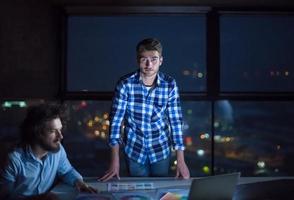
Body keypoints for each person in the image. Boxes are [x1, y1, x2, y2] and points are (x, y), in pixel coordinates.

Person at [100, 38, 190, 181]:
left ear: (161, 60)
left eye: (154, 59)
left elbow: (176, 122)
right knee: (139, 192)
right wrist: (114, 161)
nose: (149, 65)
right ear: (137, 60)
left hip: (160, 149)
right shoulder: (125, 84)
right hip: (134, 150)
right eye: (144, 60)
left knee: (160, 191)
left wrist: (181, 160)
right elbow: (116, 123)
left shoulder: (170, 85)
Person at [0, 103, 97, 200]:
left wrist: (78, 182)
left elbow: (67, 171)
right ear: (37, 133)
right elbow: (4, 197)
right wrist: (38, 199)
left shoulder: (58, 151)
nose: (60, 136)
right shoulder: (14, 159)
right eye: (53, 131)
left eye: (60, 130)